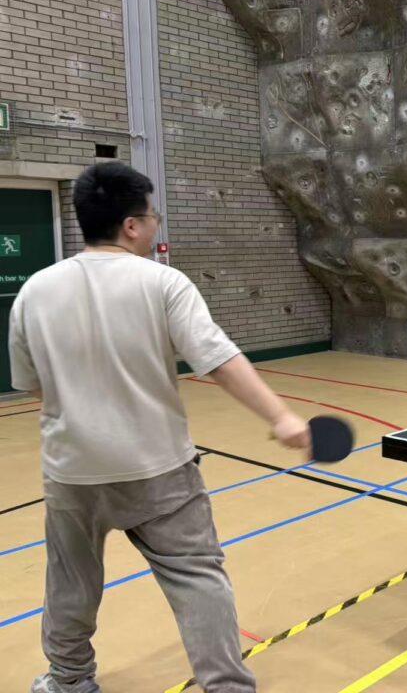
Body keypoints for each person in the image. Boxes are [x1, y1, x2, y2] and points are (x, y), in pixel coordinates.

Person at [7, 162, 312, 693]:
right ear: (131, 225)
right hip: (159, 469)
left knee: (71, 583)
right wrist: (280, 416)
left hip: (72, 472)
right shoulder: (164, 282)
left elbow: (33, 386)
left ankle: (69, 681)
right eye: (153, 217)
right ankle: (227, 688)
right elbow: (217, 360)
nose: (156, 226)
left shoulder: (36, 290)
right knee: (197, 578)